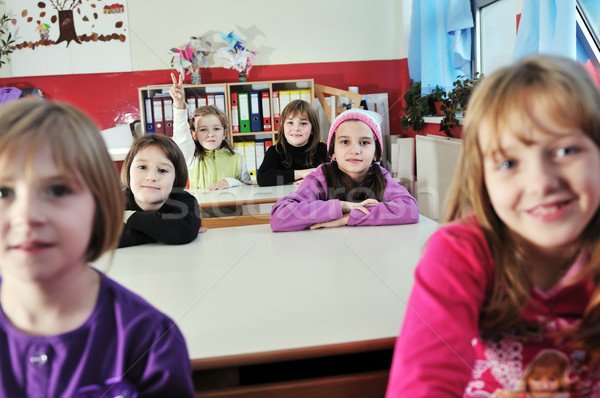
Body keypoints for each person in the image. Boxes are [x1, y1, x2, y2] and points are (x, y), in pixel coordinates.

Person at [386, 55, 600, 397]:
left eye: (565, 150)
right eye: (509, 161)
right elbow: (423, 384)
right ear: (482, 178)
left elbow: (403, 208)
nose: (541, 182)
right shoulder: (459, 252)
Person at [0, 99, 196, 397]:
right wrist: (153, 228)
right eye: (3, 191)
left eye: (58, 190)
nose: (27, 216)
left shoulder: (150, 338)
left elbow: (179, 230)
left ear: (98, 203)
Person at [270, 108, 419, 231]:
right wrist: (342, 206)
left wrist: (348, 218)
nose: (355, 150)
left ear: (376, 154)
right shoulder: (321, 177)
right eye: (345, 142)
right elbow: (280, 216)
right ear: (332, 152)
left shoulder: (381, 176)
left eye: (364, 142)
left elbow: (410, 210)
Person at [169, 72, 251, 190]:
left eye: (216, 129)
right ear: (194, 135)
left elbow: (248, 189)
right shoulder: (191, 159)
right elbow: (181, 135)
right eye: (203, 130)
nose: (210, 134)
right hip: (199, 209)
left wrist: (230, 182)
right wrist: (178, 103)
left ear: (224, 133)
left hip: (231, 209)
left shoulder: (237, 159)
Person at [119, 134, 201, 247]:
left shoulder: (184, 200)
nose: (151, 177)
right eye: (142, 167)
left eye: (162, 170)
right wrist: (164, 232)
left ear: (175, 177)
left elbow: (184, 231)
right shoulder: (115, 201)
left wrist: (127, 217)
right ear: (128, 170)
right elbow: (98, 238)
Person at [257, 99, 329, 186]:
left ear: (312, 129)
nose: (296, 128)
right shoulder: (275, 151)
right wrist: (301, 173)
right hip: (283, 197)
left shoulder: (322, 149)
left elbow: (335, 175)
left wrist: (313, 179)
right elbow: (263, 178)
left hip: (314, 197)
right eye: (290, 122)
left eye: (303, 123)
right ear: (282, 127)